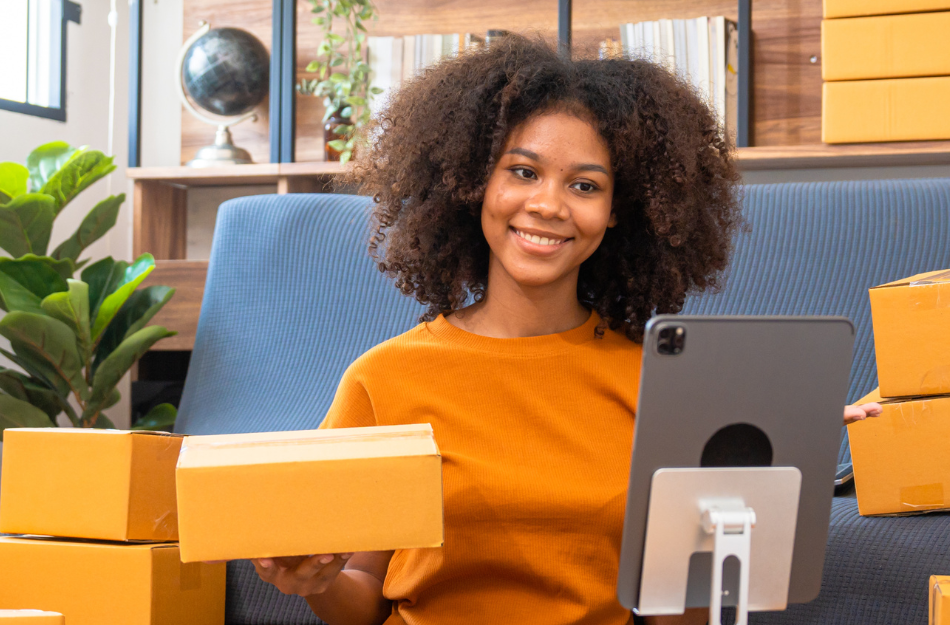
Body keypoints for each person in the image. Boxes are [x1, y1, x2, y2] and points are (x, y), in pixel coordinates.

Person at [250, 36, 881, 625]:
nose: (549, 205)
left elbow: (675, 612)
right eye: (523, 172)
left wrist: (765, 468)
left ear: (616, 214)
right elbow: (362, 593)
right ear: (473, 186)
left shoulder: (663, 385)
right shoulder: (385, 379)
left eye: (584, 185)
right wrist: (318, 581)